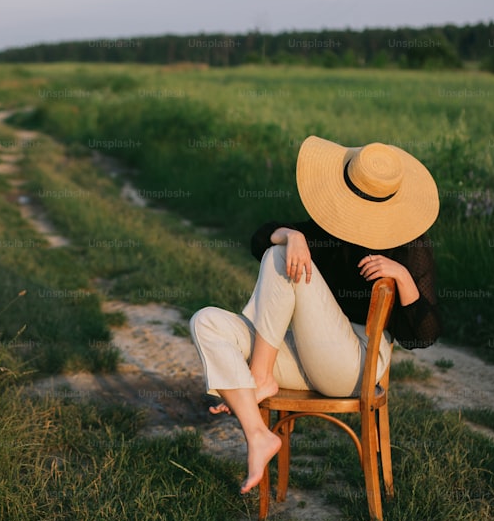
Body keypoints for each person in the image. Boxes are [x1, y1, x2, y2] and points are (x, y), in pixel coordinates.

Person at [189, 136, 442, 494]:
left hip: (355, 365)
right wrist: (292, 234)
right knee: (205, 321)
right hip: (306, 356)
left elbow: (424, 335)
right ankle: (258, 435)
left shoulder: (408, 242)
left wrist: (401, 275)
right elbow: (259, 237)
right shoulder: (330, 225)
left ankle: (258, 377)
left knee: (279, 258)